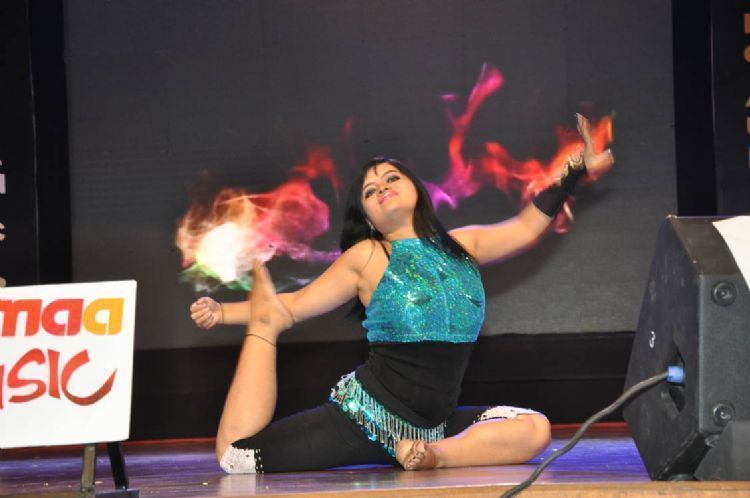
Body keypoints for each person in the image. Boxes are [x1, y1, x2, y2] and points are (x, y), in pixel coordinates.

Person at [190, 114, 614, 474]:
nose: (382, 187)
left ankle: (434, 457)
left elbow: (526, 226)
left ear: (416, 191)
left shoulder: (463, 246)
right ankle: (262, 332)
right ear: (368, 217)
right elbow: (292, 308)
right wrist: (228, 313)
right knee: (237, 457)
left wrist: (577, 168)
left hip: (433, 429)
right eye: (370, 190)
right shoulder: (367, 256)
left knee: (535, 428)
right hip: (363, 421)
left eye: (391, 178)